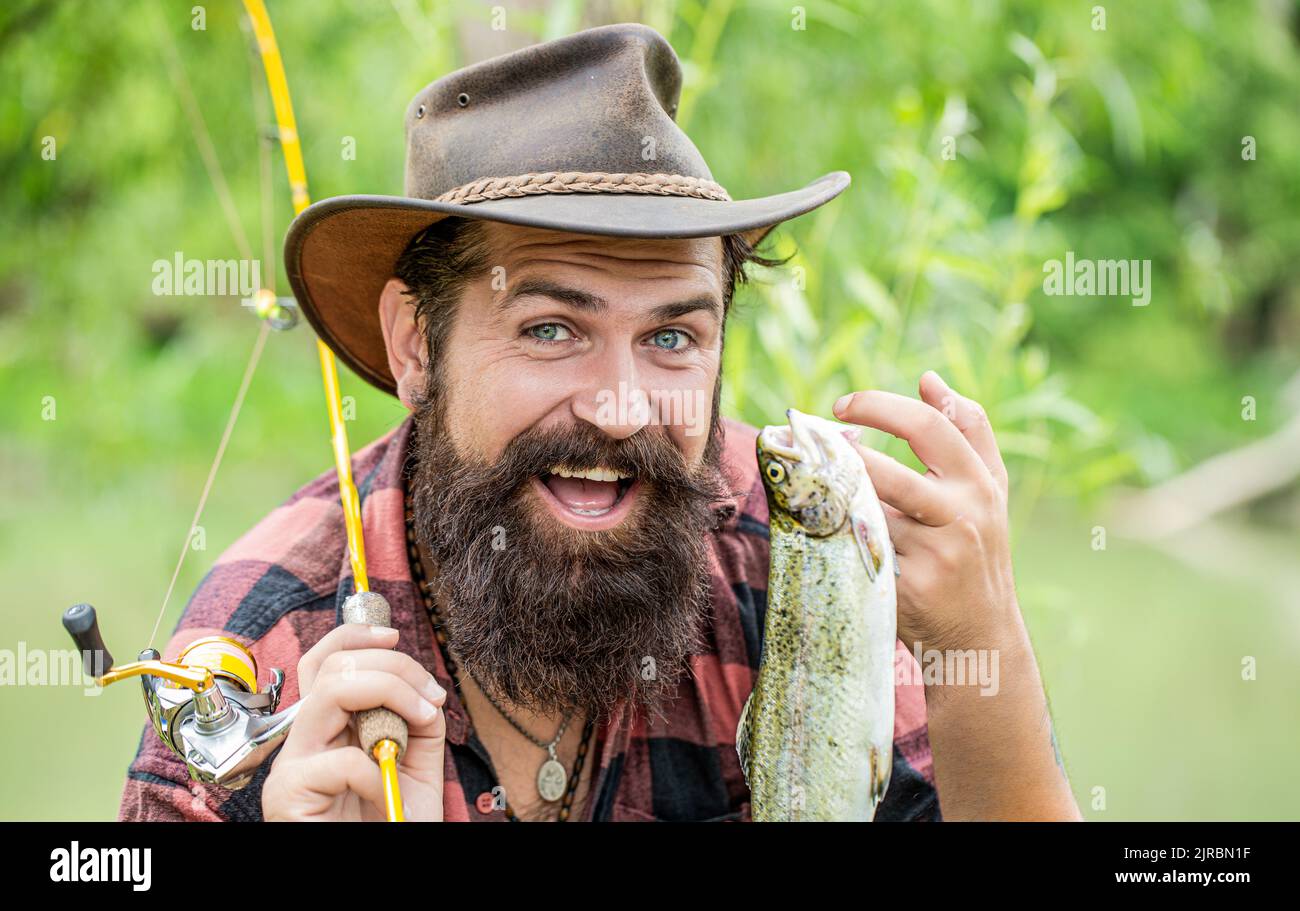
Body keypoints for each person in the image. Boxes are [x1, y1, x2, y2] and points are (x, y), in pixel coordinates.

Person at [120, 23, 1080, 822]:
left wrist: (983, 645)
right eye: (550, 328)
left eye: (671, 338)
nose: (621, 409)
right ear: (416, 343)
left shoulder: (791, 558)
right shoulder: (262, 656)